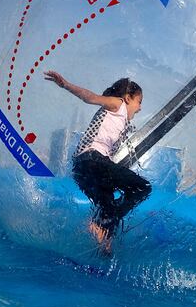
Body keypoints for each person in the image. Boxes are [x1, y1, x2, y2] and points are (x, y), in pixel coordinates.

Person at [44, 70, 152, 254]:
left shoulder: (122, 120)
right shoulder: (118, 105)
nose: (140, 108)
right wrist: (65, 84)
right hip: (91, 160)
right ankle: (100, 224)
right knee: (143, 188)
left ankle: (103, 247)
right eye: (139, 101)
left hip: (82, 168)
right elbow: (91, 97)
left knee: (108, 209)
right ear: (127, 98)